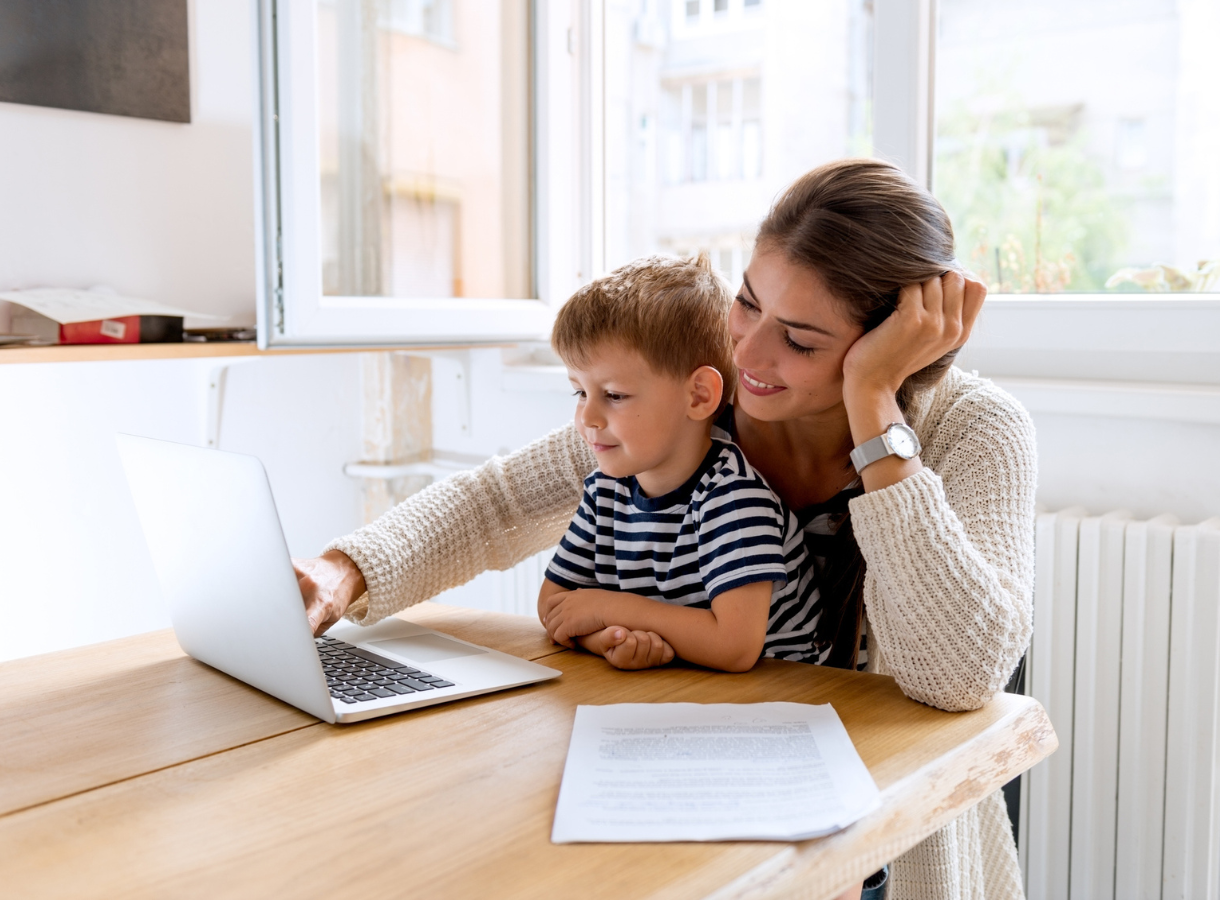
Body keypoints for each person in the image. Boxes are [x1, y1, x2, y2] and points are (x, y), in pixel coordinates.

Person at [295, 158, 1036, 900]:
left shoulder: (974, 430)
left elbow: (957, 677)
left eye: (801, 341)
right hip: (697, 803)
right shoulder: (699, 398)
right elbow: (499, 502)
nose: (747, 355)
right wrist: (341, 574)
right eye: (747, 304)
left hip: (874, 856)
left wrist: (874, 405)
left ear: (896, 345)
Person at [539, 254, 824, 672]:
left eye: (614, 395)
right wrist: (607, 637)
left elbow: (734, 647)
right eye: (579, 392)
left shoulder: (734, 500)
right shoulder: (605, 491)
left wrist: (610, 607)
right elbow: (556, 606)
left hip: (784, 702)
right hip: (688, 693)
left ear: (698, 396)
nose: (587, 418)